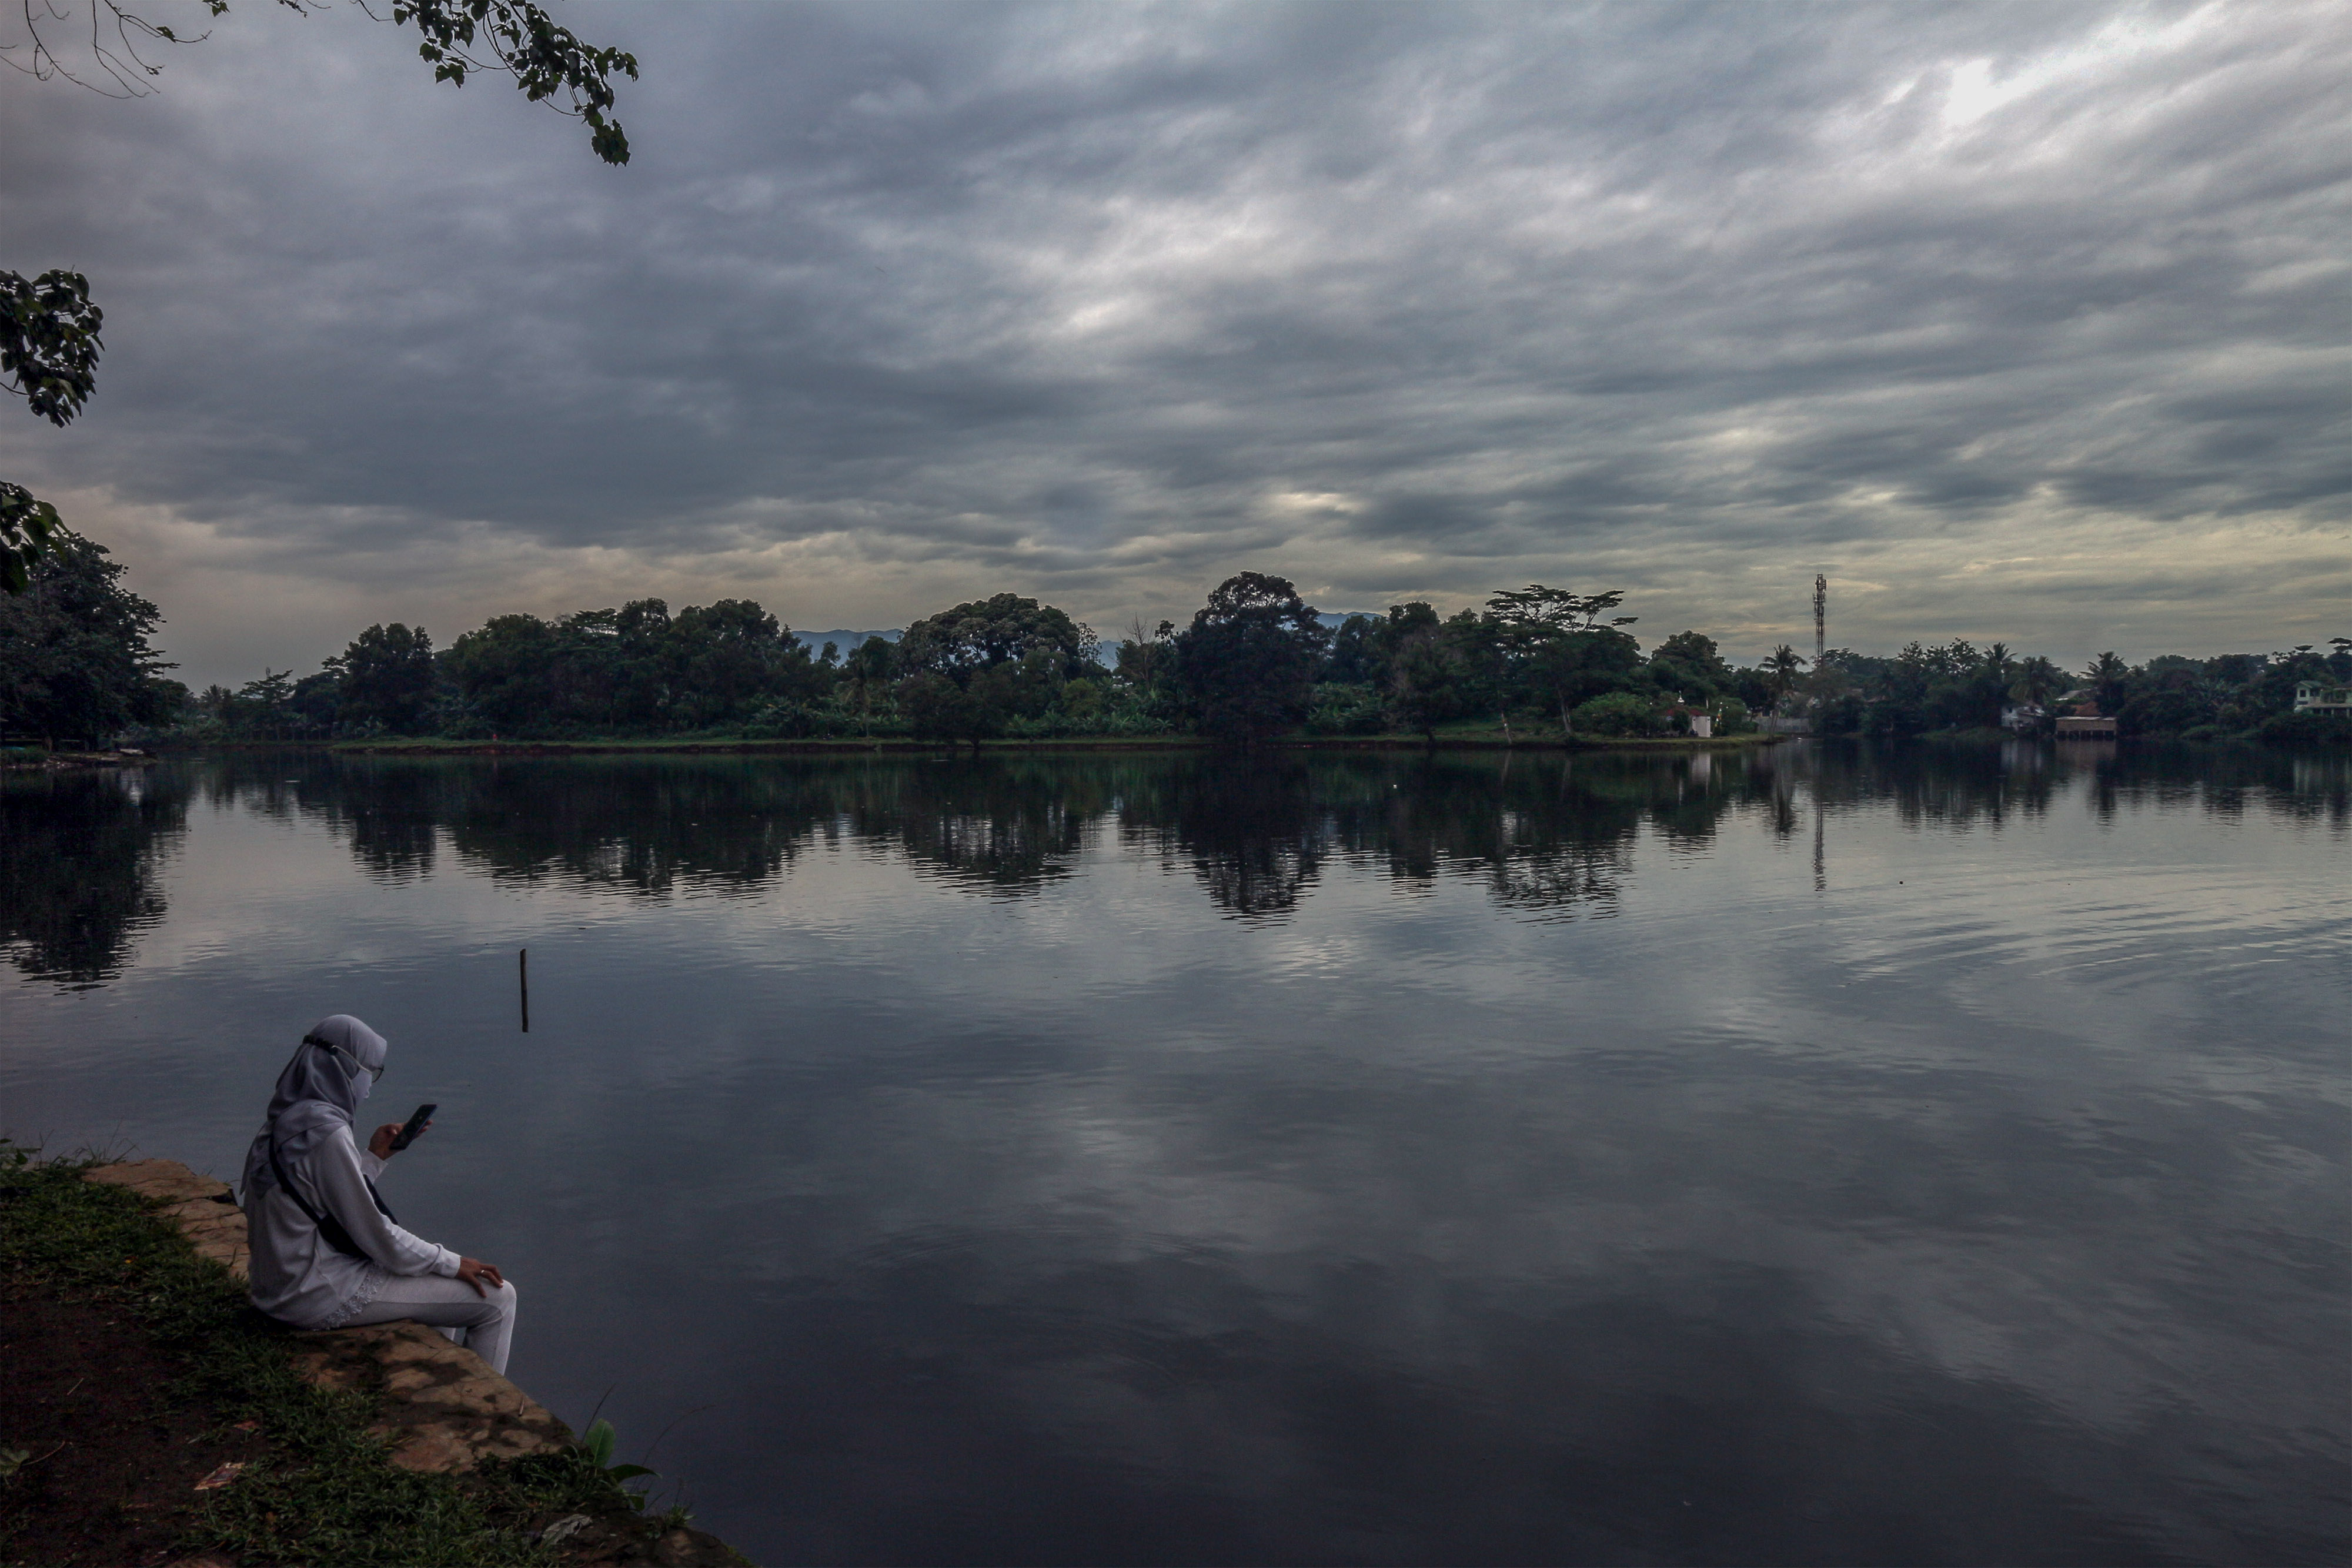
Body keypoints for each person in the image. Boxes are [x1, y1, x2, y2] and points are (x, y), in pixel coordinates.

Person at [239, 1015, 518, 1375]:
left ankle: (441, 1381)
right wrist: (451, 1261)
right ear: (343, 1067)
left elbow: (322, 1202)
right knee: (499, 1299)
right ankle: (488, 1415)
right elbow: (374, 1233)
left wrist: (375, 1158)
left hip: (277, 1286)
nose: (368, 1087)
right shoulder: (326, 1132)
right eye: (368, 1071)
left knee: (438, 1289)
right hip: (312, 1293)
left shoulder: (286, 1121)